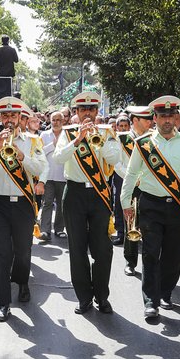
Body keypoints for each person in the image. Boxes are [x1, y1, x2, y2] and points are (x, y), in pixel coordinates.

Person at [121, 96, 180, 319]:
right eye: (162, 116)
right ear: (155, 118)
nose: (167, 120)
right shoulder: (143, 144)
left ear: (177, 117)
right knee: (151, 252)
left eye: (171, 116)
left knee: (172, 253)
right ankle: (150, 301)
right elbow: (131, 174)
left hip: (178, 206)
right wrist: (125, 202)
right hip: (150, 204)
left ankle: (165, 292)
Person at [0, 96, 47, 322]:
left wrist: (21, 155)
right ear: (0, 117)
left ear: (20, 118)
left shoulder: (33, 141)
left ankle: (22, 281)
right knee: (1, 253)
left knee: (23, 250)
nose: (9, 119)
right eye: (5, 115)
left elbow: (40, 167)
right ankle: (3, 303)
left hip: (24, 203)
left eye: (13, 115)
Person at [52, 91, 121, 315]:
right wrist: (78, 139)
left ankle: (102, 296)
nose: (88, 113)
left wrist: (98, 141)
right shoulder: (68, 133)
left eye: (92, 109)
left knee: (103, 249)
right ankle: (84, 297)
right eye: (83, 110)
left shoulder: (107, 132)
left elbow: (114, 159)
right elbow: (59, 158)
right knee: (77, 248)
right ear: (77, 112)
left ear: (97, 111)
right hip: (74, 194)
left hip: (100, 194)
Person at [115, 106, 153, 276]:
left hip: (150, 187)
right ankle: (130, 261)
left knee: (151, 225)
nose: (150, 122)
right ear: (135, 121)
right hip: (131, 186)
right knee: (131, 223)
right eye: (146, 119)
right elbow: (116, 163)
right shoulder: (122, 139)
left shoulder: (153, 138)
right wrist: (132, 177)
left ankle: (150, 263)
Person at [38, 111, 67, 242]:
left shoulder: (67, 134)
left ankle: (60, 229)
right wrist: (52, 145)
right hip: (48, 175)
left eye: (58, 120)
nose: (56, 122)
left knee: (61, 204)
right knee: (47, 203)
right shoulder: (44, 134)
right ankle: (45, 230)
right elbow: (39, 153)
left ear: (63, 121)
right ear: (50, 120)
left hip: (63, 175)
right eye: (53, 120)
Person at [110, 115, 131, 245]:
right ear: (117, 127)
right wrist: (127, 175)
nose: (123, 128)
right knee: (119, 204)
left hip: (135, 178)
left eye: (125, 126)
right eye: (121, 126)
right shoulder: (114, 140)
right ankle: (121, 233)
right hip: (120, 176)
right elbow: (116, 162)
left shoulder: (133, 139)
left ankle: (133, 231)